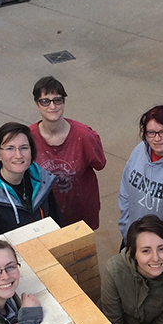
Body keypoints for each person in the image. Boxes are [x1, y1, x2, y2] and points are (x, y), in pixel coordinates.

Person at [29, 76, 106, 229]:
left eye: (57, 100)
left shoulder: (84, 136)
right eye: (45, 101)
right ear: (37, 105)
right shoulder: (27, 138)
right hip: (45, 217)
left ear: (64, 102)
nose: (52, 106)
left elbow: (100, 163)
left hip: (80, 215)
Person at [118, 105, 163, 253]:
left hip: (162, 255)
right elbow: (125, 190)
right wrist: (127, 232)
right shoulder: (140, 150)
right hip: (131, 241)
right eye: (151, 133)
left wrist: (158, 251)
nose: (157, 139)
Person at [0, 122, 65, 235]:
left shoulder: (42, 182)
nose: (18, 155)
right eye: (10, 148)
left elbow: (57, 224)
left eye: (24, 148)